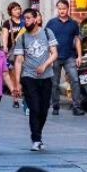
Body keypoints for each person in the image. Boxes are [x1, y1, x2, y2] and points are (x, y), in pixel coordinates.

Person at [13, 8, 59, 151]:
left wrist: (44, 65)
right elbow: (19, 60)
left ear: (35, 19)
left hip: (46, 76)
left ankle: (38, 135)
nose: (25, 21)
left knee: (44, 108)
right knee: (34, 107)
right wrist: (17, 82)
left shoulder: (47, 33)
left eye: (28, 18)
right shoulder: (22, 37)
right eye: (24, 19)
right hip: (29, 76)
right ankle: (36, 139)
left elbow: (54, 53)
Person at [46, 0, 85, 116]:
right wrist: (49, 56)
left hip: (69, 56)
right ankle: (55, 106)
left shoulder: (73, 24)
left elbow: (77, 40)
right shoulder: (51, 23)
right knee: (54, 83)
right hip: (55, 57)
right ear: (57, 9)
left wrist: (79, 56)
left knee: (75, 80)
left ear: (68, 9)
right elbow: (46, 40)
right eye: (59, 8)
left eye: (64, 8)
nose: (62, 10)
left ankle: (76, 106)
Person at [0, 2, 24, 109]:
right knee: (14, 76)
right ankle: (15, 99)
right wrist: (4, 47)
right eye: (15, 9)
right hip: (12, 52)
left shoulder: (24, 22)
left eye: (18, 9)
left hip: (24, 51)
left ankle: (22, 95)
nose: (17, 11)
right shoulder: (7, 23)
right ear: (10, 11)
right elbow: (4, 36)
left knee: (24, 75)